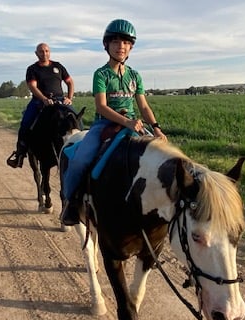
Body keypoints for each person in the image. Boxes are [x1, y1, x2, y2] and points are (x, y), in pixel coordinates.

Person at [60, 19, 167, 225]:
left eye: (126, 43)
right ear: (106, 45)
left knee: (159, 159)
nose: (121, 47)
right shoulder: (101, 74)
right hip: (104, 125)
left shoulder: (135, 76)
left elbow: (143, 106)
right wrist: (126, 121)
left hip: (134, 125)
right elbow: (101, 106)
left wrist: (156, 128)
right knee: (80, 160)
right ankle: (71, 203)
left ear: (131, 47)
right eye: (116, 42)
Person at [6, 43, 75, 168]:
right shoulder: (32, 69)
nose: (44, 54)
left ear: (50, 52)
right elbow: (32, 86)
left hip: (59, 100)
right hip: (39, 101)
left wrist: (69, 98)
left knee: (75, 119)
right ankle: (20, 154)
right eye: (41, 51)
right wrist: (43, 98)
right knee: (26, 123)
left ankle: (79, 149)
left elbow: (69, 82)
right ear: (36, 53)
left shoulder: (58, 66)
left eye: (47, 51)